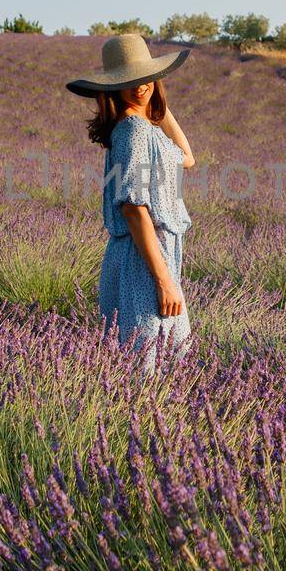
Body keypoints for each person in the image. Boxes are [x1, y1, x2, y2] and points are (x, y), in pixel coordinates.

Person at [67, 34, 195, 369]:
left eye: (145, 78)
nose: (139, 87)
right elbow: (134, 209)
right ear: (112, 88)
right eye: (130, 81)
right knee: (149, 367)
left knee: (164, 363)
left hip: (154, 257)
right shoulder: (133, 131)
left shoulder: (145, 128)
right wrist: (164, 280)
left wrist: (157, 102)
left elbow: (187, 158)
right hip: (144, 261)